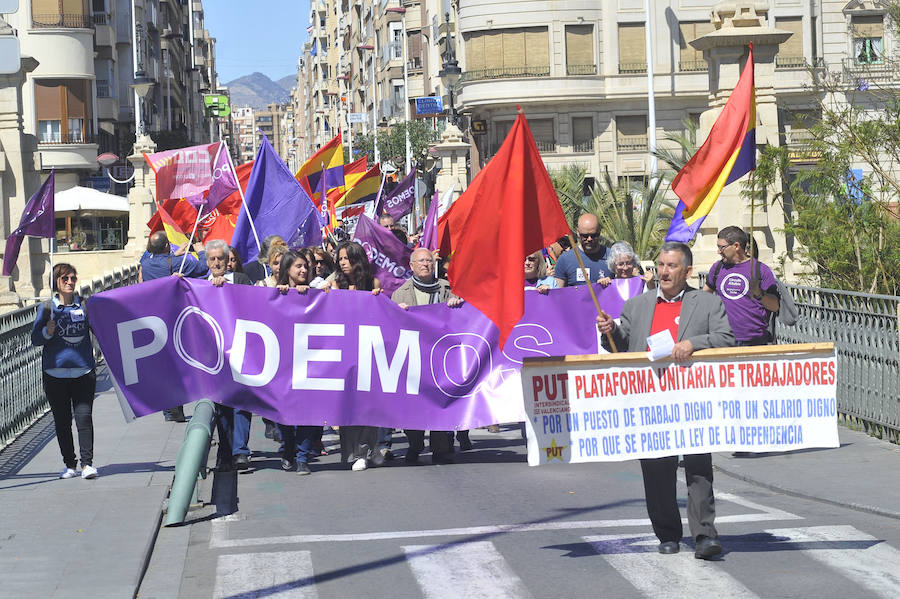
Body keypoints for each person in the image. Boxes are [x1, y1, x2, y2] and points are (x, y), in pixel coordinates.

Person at [595, 242, 734, 560]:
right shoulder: (638, 304)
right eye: (660, 265)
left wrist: (693, 343)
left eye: (671, 266)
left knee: (698, 468)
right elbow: (623, 340)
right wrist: (610, 329)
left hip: (694, 400)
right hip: (651, 401)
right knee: (657, 469)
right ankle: (667, 534)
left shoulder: (709, 304)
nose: (664, 271)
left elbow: (727, 338)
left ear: (687, 271)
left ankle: (704, 535)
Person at [392, 248, 464, 464]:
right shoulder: (400, 294)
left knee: (441, 402)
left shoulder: (448, 289)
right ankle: (414, 445)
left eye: (429, 260)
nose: (425, 264)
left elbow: (461, 321)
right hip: (413, 358)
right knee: (413, 404)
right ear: (411, 266)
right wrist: (397, 312)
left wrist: (456, 304)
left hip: (441, 358)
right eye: (420, 261)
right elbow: (391, 327)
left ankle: (440, 447)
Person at [31, 264, 99, 480]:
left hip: (83, 372)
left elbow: (100, 328)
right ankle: (69, 464)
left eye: (73, 278)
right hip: (55, 374)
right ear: (57, 283)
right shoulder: (46, 309)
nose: (70, 282)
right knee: (62, 421)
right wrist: (46, 331)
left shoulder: (85, 306)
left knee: (84, 418)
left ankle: (87, 464)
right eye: (64, 279)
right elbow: (35, 340)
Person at [139, 231, 207, 421]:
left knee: (165, 364)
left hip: (153, 317)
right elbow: (202, 268)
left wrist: (174, 254)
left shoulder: (146, 263)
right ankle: (175, 408)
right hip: (174, 316)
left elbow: (159, 261)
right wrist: (199, 250)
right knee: (178, 363)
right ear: (167, 247)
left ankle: (169, 409)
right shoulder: (175, 263)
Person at [329, 241, 382, 470]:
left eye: (346, 258)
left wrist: (380, 299)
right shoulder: (335, 284)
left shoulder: (373, 283)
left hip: (367, 349)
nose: (342, 262)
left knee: (367, 403)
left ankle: (366, 450)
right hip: (343, 349)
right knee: (347, 404)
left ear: (357, 259)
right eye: (339, 258)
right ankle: (350, 452)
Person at [202, 240, 254, 470]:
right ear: (207, 262)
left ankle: (241, 451)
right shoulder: (199, 286)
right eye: (212, 259)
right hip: (215, 356)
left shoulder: (241, 281)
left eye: (220, 259)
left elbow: (255, 303)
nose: (216, 263)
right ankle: (225, 451)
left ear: (227, 260)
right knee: (222, 406)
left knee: (243, 402)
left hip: (242, 350)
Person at [273, 251, 321, 475]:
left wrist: (309, 294)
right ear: (287, 270)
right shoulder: (273, 292)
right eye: (298, 267)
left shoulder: (318, 293)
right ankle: (288, 448)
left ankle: (302, 456)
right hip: (282, 363)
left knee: (309, 411)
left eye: (305, 266)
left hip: (311, 362)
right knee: (283, 412)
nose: (303, 270)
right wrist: (282, 296)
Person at [704, 226, 779, 346]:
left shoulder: (761, 270)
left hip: (754, 342)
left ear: (736, 246)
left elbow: (775, 306)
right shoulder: (717, 268)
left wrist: (760, 293)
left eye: (721, 247)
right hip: (722, 339)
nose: (718, 251)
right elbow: (703, 296)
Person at [554, 213, 612, 287]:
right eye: (585, 236)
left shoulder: (612, 256)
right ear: (578, 233)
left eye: (594, 235)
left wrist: (611, 283)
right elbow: (557, 293)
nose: (589, 239)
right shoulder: (565, 259)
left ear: (599, 232)